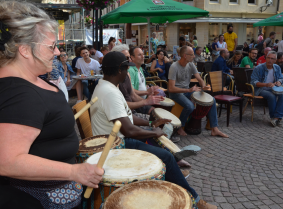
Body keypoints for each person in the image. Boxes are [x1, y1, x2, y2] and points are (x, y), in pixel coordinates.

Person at [0, 2, 104, 208]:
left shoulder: (20, 78)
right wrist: (74, 172)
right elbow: (8, 162)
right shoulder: (17, 95)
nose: (57, 52)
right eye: (51, 46)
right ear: (24, 49)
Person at [90, 51, 217, 209]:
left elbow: (127, 117)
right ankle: (196, 201)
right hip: (116, 145)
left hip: (117, 139)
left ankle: (173, 178)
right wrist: (154, 132)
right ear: (118, 70)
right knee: (166, 156)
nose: (128, 72)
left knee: (161, 148)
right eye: (126, 69)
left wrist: (151, 123)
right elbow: (129, 130)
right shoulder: (110, 93)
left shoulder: (108, 86)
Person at [168, 46, 228, 138]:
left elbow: (199, 78)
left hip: (187, 91)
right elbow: (171, 88)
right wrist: (188, 90)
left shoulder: (191, 64)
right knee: (190, 106)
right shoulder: (174, 67)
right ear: (185, 55)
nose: (194, 56)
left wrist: (203, 85)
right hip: (176, 93)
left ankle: (214, 129)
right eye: (191, 54)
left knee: (212, 100)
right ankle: (180, 127)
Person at [112, 44, 163, 116]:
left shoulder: (129, 73)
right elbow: (122, 106)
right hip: (131, 110)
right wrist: (146, 95)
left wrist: (148, 98)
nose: (143, 56)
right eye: (140, 55)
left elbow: (132, 95)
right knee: (156, 117)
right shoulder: (115, 80)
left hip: (133, 107)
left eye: (129, 57)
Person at [251, 51, 283, 126]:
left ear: (275, 60)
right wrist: (266, 84)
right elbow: (253, 82)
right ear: (266, 58)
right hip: (260, 89)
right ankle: (273, 117)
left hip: (273, 88)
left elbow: (281, 78)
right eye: (268, 58)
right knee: (271, 96)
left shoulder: (277, 67)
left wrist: (279, 82)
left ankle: (277, 118)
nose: (270, 60)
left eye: (272, 58)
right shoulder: (258, 68)